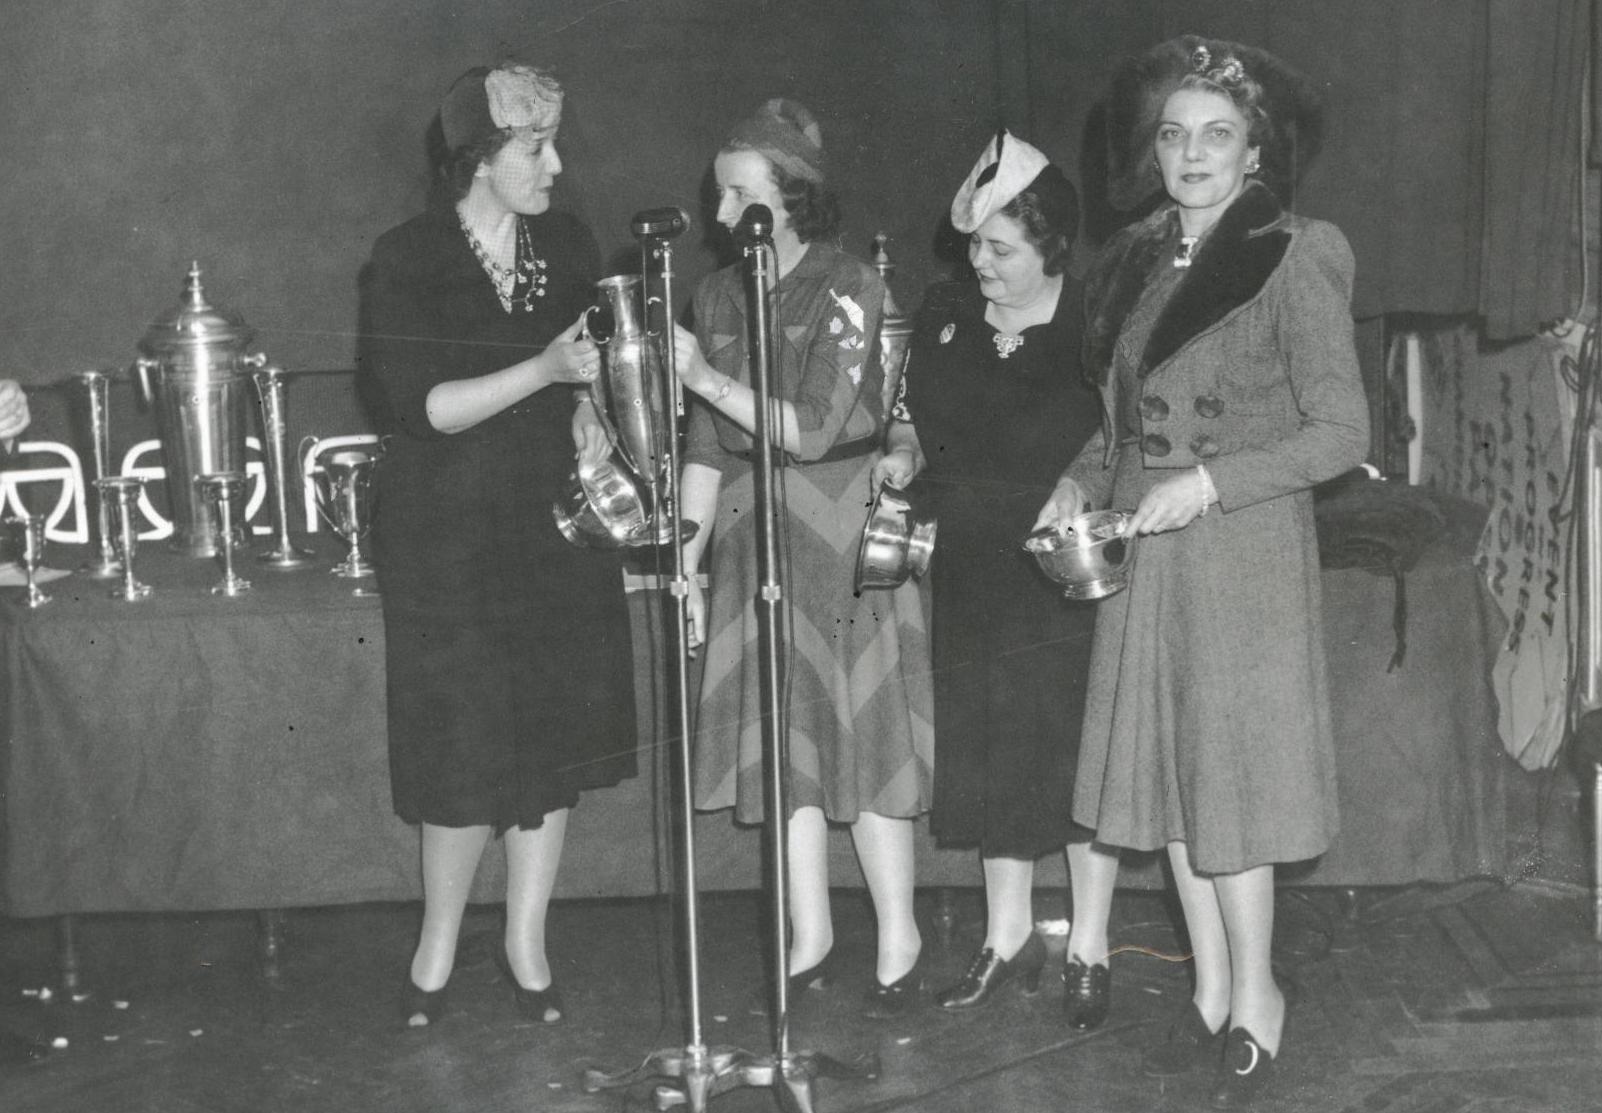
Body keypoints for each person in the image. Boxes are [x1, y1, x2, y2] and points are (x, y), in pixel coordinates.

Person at [1034, 36, 1368, 1108]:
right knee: (1174, 786)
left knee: (1231, 788)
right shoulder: (1142, 254)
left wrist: (1214, 483)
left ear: (1256, 148)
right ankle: (1214, 985)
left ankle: (1259, 993)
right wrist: (1079, 481)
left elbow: (1339, 433)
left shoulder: (1296, 251)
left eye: (1217, 135)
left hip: (1237, 550)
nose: (1191, 153)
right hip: (1146, 539)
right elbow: (1126, 419)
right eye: (1174, 135)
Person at [357, 62, 637, 1029]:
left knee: (550, 740)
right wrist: (548, 370)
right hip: (447, 538)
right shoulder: (407, 257)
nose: (555, 165)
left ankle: (528, 941)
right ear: (477, 160)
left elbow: (586, 377)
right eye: (534, 147)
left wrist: (590, 411)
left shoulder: (566, 244)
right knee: (461, 746)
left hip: (551, 527)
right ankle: (436, 945)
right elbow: (422, 409)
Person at [672, 98, 934, 1018]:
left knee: (859, 734)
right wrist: (688, 559)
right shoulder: (711, 295)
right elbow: (704, 444)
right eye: (716, 192)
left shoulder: (849, 282)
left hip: (838, 533)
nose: (716, 212)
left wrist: (702, 375)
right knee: (783, 742)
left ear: (789, 195)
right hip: (751, 539)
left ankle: (898, 933)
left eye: (737, 191)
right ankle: (810, 930)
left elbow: (819, 426)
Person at [871, 131, 1115, 1030]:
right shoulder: (944, 312)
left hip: (1061, 572)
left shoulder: (1095, 318)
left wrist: (1083, 476)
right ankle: (1005, 934)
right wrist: (898, 456)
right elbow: (910, 419)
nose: (979, 262)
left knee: (1074, 755)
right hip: (972, 565)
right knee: (990, 752)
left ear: (1050, 243)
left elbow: (1126, 434)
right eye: (974, 242)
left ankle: (1088, 941)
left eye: (1000, 247)